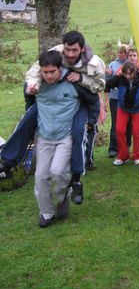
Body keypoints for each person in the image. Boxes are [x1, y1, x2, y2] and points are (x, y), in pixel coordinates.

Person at [0, 31, 105, 204]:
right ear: (63, 46)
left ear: (82, 49)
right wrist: (32, 87)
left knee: (78, 131)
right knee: (27, 121)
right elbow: (34, 73)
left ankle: (77, 178)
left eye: (75, 51)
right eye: (68, 49)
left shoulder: (94, 63)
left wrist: (81, 78)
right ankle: (8, 161)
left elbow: (99, 87)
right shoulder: (54, 54)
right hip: (50, 100)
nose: (70, 54)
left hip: (80, 98)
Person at [34, 50, 100, 228]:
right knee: (41, 176)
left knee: (57, 171)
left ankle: (63, 197)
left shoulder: (74, 83)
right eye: (45, 72)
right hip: (44, 137)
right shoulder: (37, 85)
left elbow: (93, 100)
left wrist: (91, 121)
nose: (48, 76)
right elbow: (29, 106)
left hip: (65, 137)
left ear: (59, 69)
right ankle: (46, 213)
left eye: (52, 72)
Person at [106, 61, 139, 166]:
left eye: (130, 74)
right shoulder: (120, 78)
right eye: (125, 74)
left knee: (136, 132)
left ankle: (137, 156)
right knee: (119, 130)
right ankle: (123, 156)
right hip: (123, 108)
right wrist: (116, 75)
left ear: (135, 72)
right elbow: (108, 84)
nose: (127, 76)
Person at [105, 44, 128, 157]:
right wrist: (107, 75)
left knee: (127, 123)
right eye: (119, 52)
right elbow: (107, 83)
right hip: (114, 98)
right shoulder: (113, 65)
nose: (120, 54)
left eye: (122, 52)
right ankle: (112, 148)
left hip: (127, 98)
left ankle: (125, 146)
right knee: (115, 122)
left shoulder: (130, 64)